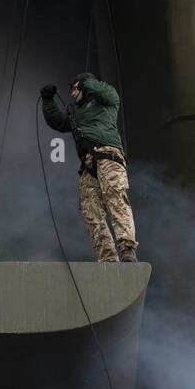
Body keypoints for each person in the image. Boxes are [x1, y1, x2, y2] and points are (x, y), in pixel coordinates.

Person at [40, 72, 138, 263]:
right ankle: (107, 259)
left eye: (77, 87)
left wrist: (86, 82)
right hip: (88, 166)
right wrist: (48, 101)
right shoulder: (76, 114)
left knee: (115, 198)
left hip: (108, 156)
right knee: (90, 212)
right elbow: (58, 122)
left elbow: (107, 93)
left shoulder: (106, 100)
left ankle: (127, 248)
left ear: (86, 86)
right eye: (72, 88)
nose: (73, 91)